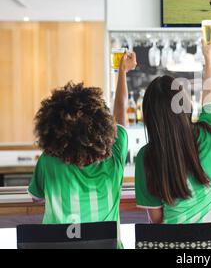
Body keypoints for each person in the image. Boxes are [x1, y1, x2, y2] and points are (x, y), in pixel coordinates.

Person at [28, 51, 137, 241]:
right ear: (103, 125)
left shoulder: (49, 160)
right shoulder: (115, 155)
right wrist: (122, 72)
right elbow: (121, 110)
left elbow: (37, 197)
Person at [135, 39, 211, 224]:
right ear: (186, 106)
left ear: (149, 117)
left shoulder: (146, 156)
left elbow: (157, 220)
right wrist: (209, 59)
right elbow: (210, 92)